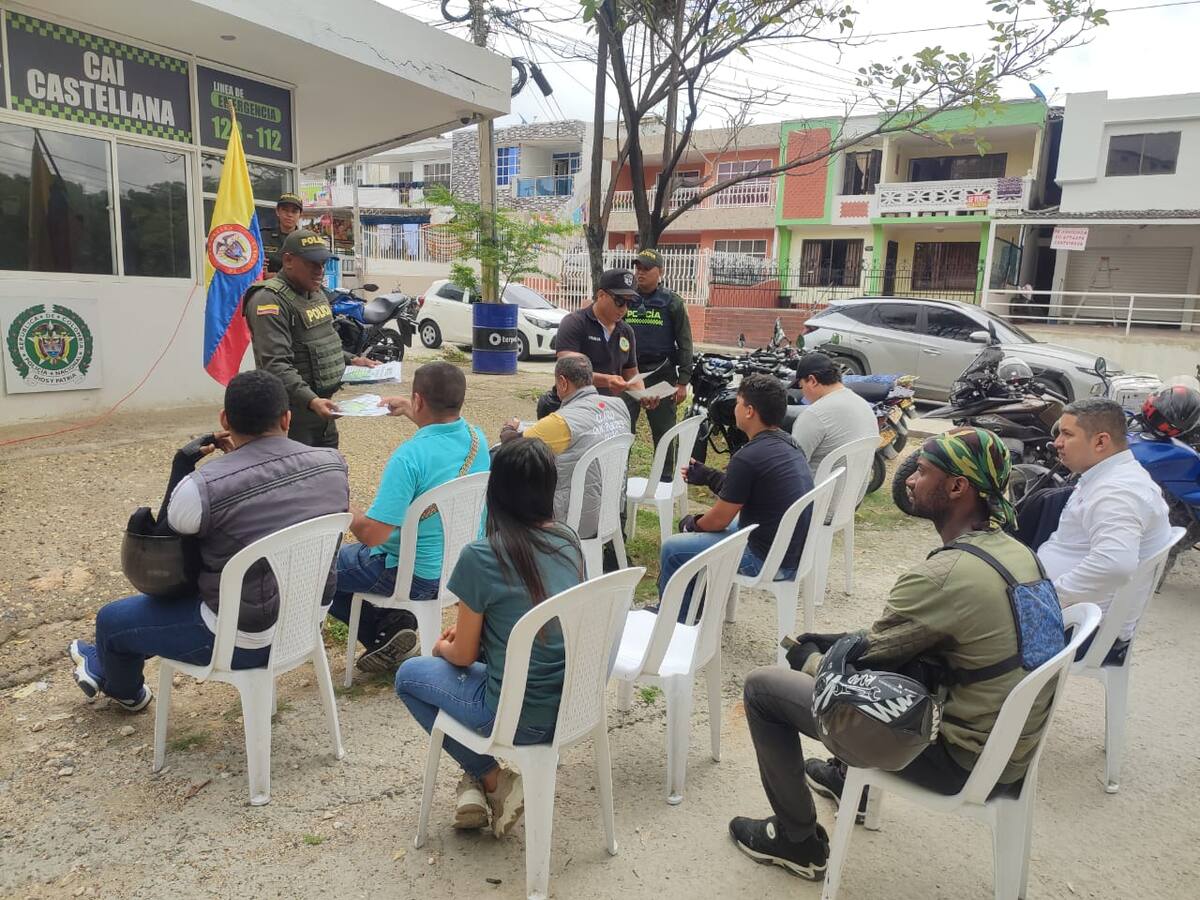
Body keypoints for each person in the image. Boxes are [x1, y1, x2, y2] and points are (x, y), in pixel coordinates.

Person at [728, 428, 1057, 881]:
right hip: (1009, 749)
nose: (909, 480)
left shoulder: (943, 575)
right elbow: (910, 640)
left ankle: (796, 841)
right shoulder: (1021, 555)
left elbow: (858, 674)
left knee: (763, 688)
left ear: (958, 486)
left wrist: (807, 656)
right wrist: (846, 638)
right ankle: (849, 785)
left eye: (921, 471)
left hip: (957, 762)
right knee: (885, 657)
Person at [67, 371, 350, 712]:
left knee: (112, 620)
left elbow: (163, 550)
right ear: (287, 418)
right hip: (304, 624)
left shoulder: (202, 486)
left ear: (225, 421)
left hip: (243, 639)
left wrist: (182, 468)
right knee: (142, 620)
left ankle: (128, 692)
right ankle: (99, 662)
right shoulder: (334, 465)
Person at [395, 438, 585, 837]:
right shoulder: (569, 540)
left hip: (518, 717)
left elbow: (462, 656)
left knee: (410, 676)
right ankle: (475, 786)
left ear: (494, 492)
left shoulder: (482, 555)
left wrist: (442, 647)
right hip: (572, 706)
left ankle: (493, 779)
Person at [326, 362, 490, 673]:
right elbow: (441, 431)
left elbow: (373, 535)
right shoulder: (477, 439)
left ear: (418, 400)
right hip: (458, 569)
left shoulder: (408, 457)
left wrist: (344, 508)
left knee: (322, 565)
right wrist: (412, 412)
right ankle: (394, 624)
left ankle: (383, 633)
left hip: (413, 575)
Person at [659, 374, 813, 622]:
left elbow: (719, 519)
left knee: (673, 548)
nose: (735, 408)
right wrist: (710, 477)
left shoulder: (748, 456)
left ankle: (674, 621)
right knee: (707, 534)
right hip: (792, 550)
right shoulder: (789, 443)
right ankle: (695, 610)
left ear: (750, 411)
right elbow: (748, 490)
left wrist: (692, 524)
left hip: (765, 559)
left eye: (738, 403)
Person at [1038, 398, 1172, 661]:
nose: (1057, 443)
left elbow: (1114, 564)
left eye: (1067, 434)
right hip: (1077, 615)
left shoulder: (1118, 492)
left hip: (1081, 628)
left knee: (964, 625)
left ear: (1100, 442)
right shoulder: (1111, 477)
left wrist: (1047, 598)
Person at [244, 228, 379, 448]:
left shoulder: (315, 293)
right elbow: (275, 364)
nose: (320, 271)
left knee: (328, 471)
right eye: (312, 264)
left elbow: (322, 341)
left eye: (323, 264)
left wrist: (353, 360)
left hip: (322, 409)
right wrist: (311, 400)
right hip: (292, 416)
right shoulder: (268, 301)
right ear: (288, 260)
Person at [499, 354, 630, 538]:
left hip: (574, 519)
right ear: (590, 378)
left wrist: (509, 426)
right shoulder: (619, 406)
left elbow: (512, 444)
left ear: (562, 382)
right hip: (611, 511)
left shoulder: (561, 422)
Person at [623, 248, 695, 480]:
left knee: (664, 431)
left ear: (660, 272)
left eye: (646, 269)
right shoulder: (625, 298)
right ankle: (619, 472)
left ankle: (664, 478)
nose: (640, 273)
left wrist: (683, 380)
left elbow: (685, 342)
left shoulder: (671, 302)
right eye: (638, 268)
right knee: (623, 427)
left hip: (661, 375)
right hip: (629, 375)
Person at [539, 269, 641, 417]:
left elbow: (631, 373)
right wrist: (607, 381)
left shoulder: (626, 332)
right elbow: (569, 371)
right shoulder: (574, 323)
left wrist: (644, 394)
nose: (624, 309)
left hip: (607, 410)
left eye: (629, 303)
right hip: (573, 409)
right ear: (601, 295)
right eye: (620, 301)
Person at [790, 352, 878, 474]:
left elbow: (790, 469)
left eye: (801, 386)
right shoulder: (864, 406)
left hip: (816, 492)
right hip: (853, 491)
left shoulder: (815, 414)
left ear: (812, 381)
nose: (803, 393)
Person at [262, 192, 304, 275]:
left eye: (294, 211)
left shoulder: (305, 240)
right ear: (277, 212)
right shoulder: (263, 236)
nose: (289, 215)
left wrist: (276, 277)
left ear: (300, 215)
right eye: (285, 210)